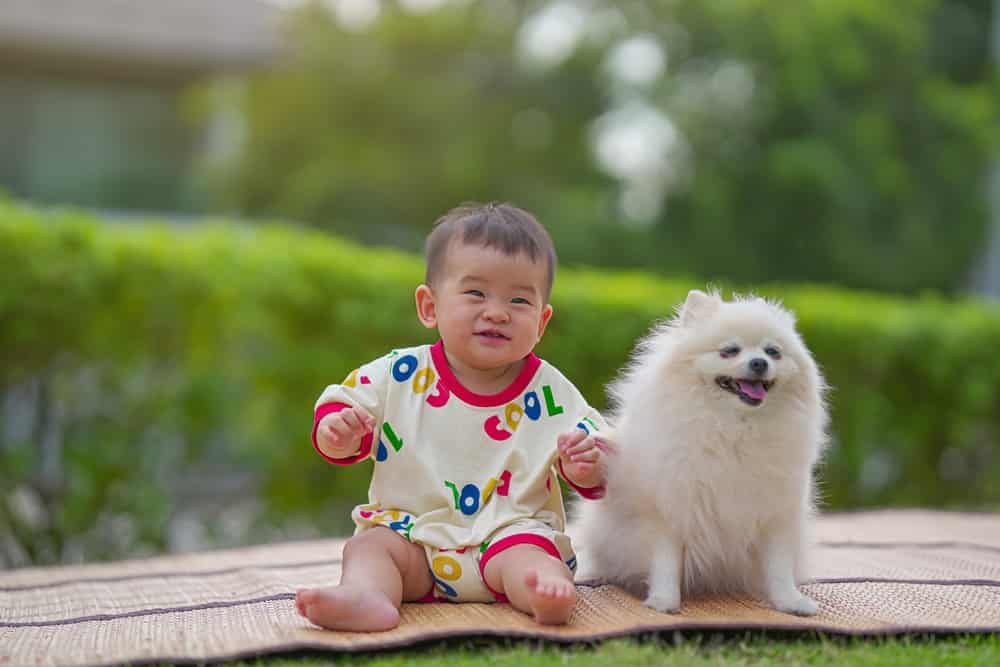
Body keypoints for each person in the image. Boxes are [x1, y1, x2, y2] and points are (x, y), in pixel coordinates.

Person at [295, 202, 608, 631]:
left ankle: (544, 591)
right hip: (414, 538)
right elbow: (344, 407)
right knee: (369, 548)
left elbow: (597, 447)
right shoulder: (399, 374)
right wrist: (341, 432)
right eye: (476, 293)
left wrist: (587, 465)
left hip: (508, 532)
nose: (497, 312)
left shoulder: (551, 392)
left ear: (541, 322)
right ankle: (367, 596)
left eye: (519, 300)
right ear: (429, 306)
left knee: (533, 554)